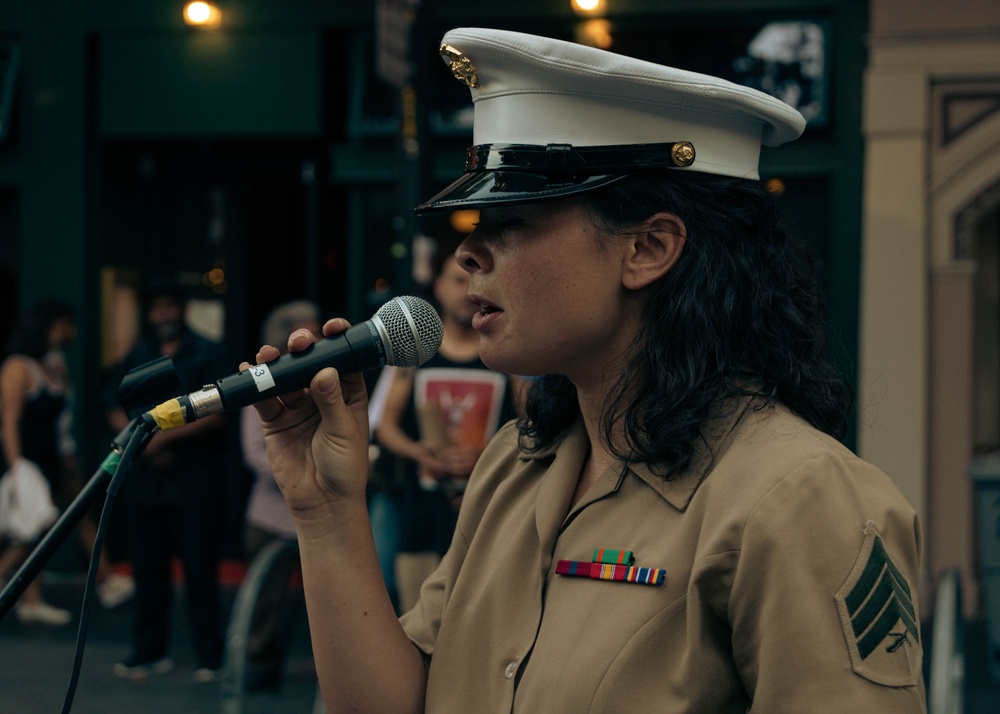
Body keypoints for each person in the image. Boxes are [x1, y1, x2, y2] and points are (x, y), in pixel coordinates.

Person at [248, 28, 926, 712]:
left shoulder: (803, 498)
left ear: (649, 248)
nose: (469, 256)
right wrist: (326, 507)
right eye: (474, 224)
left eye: (511, 220)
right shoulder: (515, 465)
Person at [374, 242, 523, 612]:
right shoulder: (415, 353)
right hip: (421, 516)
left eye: (472, 280)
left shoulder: (503, 353)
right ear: (438, 286)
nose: (465, 290)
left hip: (484, 515)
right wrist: (420, 452)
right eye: (457, 280)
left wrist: (487, 460)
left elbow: (530, 428)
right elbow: (386, 427)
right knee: (417, 617)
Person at [104, 278, 229, 682]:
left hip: (193, 479)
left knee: (199, 569)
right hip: (145, 484)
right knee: (148, 570)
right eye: (156, 307)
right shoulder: (137, 354)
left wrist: (159, 440)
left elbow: (218, 409)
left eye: (168, 306)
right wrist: (140, 443)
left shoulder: (206, 352)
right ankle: (148, 651)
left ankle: (210, 656)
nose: (163, 314)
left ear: (181, 309)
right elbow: (113, 404)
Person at [0, 300, 135, 625]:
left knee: (77, 515)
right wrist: (18, 467)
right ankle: (24, 592)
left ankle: (100, 580)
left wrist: (68, 456)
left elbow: (61, 422)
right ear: (50, 325)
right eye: (64, 323)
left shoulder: (56, 365)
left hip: (55, 460)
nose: (69, 330)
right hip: (28, 463)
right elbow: (9, 419)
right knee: (35, 530)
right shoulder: (18, 367)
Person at [237, 299, 321, 690]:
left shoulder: (321, 380)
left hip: (310, 520)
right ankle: (254, 671)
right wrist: (305, 469)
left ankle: (280, 669)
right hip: (269, 517)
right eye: (308, 330)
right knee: (263, 602)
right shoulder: (262, 384)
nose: (316, 338)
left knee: (307, 603)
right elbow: (255, 454)